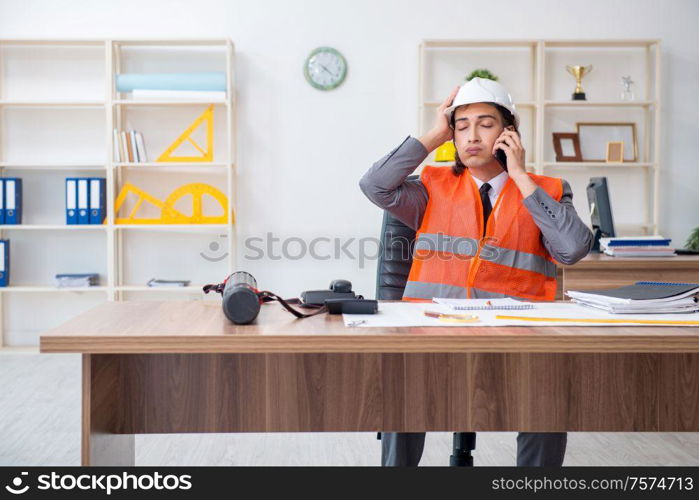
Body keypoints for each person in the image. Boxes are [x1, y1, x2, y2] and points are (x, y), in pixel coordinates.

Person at [358, 78, 594, 466]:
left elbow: (572, 249)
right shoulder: (431, 188)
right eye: (462, 125)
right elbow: (374, 185)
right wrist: (435, 135)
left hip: (519, 336)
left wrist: (520, 176)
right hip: (433, 330)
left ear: (508, 133)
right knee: (404, 389)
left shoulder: (547, 190)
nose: (472, 136)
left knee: (547, 400)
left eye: (485, 124)